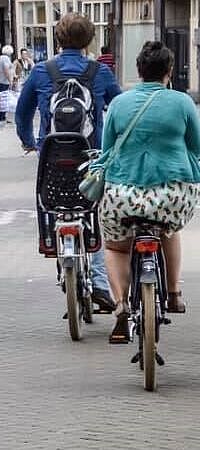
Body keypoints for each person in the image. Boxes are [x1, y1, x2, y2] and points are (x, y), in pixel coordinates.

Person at [16, 12, 123, 313]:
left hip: (52, 155)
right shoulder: (99, 72)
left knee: (52, 202)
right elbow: (121, 108)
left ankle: (52, 243)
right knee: (97, 214)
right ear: (90, 40)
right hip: (92, 155)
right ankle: (100, 282)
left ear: (58, 39)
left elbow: (22, 114)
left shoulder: (41, 71)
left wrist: (29, 141)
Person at [94, 42, 200, 342]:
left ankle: (121, 304)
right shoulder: (182, 103)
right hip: (171, 196)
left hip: (123, 196)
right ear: (169, 72)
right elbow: (196, 147)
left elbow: (106, 151)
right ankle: (174, 293)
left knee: (115, 247)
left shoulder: (119, 104)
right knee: (168, 230)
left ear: (138, 71)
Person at [0, 45, 15, 122]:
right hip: (4, 81)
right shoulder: (6, 59)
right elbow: (6, 69)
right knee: (5, 98)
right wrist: (10, 80)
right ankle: (3, 116)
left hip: (0, 80)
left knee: (2, 98)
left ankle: (2, 115)